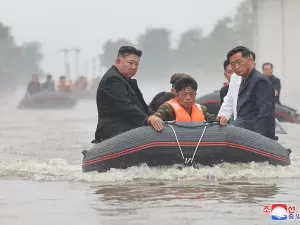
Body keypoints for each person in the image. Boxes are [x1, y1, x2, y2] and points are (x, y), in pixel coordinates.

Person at [94, 46, 163, 143]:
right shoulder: (113, 79)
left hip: (129, 127)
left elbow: (143, 107)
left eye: (136, 64)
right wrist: (147, 119)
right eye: (130, 63)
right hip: (113, 129)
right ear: (118, 62)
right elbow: (126, 106)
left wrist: (156, 117)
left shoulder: (127, 81)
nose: (134, 67)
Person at [226, 46, 275, 140]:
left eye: (239, 62)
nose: (236, 67)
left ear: (249, 60)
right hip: (242, 130)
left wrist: (259, 139)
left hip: (255, 136)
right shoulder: (244, 80)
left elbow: (265, 113)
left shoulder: (260, 81)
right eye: (233, 64)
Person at [150, 77, 217, 125]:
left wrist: (220, 119)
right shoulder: (167, 108)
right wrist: (153, 119)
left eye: (191, 94)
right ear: (177, 95)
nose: (188, 98)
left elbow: (212, 119)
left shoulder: (202, 109)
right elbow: (157, 117)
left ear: (195, 95)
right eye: (184, 94)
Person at [217, 50, 256, 126]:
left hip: (255, 125)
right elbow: (229, 100)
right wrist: (222, 116)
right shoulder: (234, 78)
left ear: (253, 63)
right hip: (238, 124)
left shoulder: (260, 80)